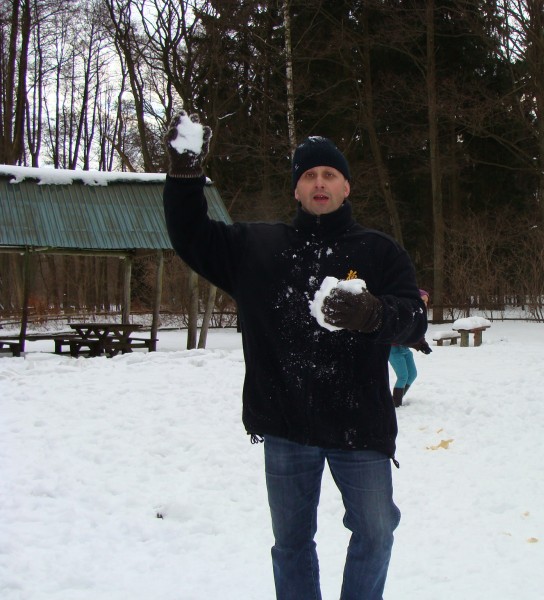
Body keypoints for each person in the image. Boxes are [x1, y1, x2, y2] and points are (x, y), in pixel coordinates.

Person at [162, 111, 428, 600]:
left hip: (360, 426)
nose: (319, 183)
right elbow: (191, 236)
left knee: (376, 532)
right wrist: (184, 177)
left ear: (346, 187)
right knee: (290, 544)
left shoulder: (379, 251)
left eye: (329, 174)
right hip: (286, 423)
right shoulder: (257, 247)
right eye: (308, 175)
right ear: (296, 190)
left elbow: (415, 320)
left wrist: (372, 313)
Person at [389, 289, 432, 407]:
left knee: (412, 375)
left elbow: (419, 332)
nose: (425, 303)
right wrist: (416, 344)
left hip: (405, 349)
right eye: (423, 300)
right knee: (403, 376)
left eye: (426, 301)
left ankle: (396, 398)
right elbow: (402, 335)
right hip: (394, 349)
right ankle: (395, 404)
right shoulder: (405, 312)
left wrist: (423, 344)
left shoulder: (420, 314)